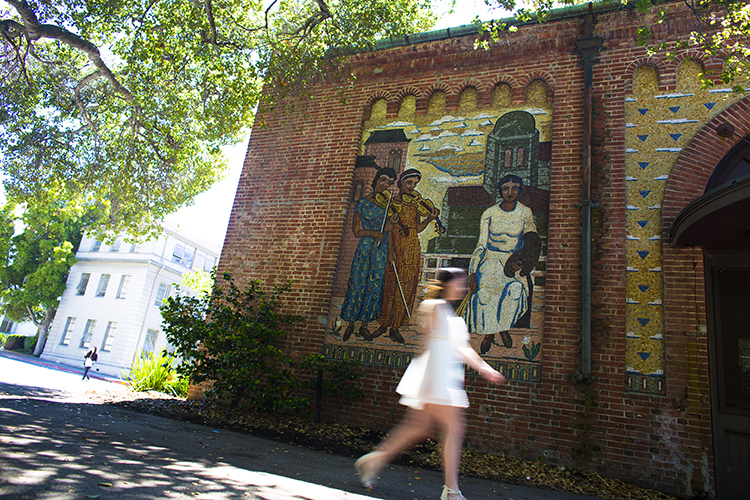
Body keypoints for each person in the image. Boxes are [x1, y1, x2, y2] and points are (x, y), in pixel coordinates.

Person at [354, 268, 506, 500]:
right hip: (436, 380)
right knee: (454, 430)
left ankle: (372, 461)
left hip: (444, 379)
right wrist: (429, 385)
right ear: (448, 284)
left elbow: (463, 349)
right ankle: (451, 491)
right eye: (460, 282)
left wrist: (486, 369)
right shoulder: (434, 308)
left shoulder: (449, 313)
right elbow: (432, 347)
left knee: (418, 429)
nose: (464, 287)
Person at [464, 174, 540, 354]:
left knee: (514, 292)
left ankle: (504, 328)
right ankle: (489, 334)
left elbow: (532, 239)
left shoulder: (525, 212)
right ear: (500, 190)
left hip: (513, 263)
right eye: (506, 188)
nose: (510, 192)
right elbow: (481, 245)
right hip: (490, 261)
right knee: (485, 296)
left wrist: (522, 261)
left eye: (515, 188)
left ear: (520, 189)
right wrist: (473, 272)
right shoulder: (489, 213)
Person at [372, 169, 439, 344]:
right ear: (401, 183)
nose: (412, 187)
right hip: (394, 245)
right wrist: (391, 251)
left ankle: (396, 327)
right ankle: (384, 323)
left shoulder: (415, 205)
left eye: (415, 184)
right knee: (390, 285)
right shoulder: (389, 202)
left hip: (411, 247)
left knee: (407, 285)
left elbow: (417, 228)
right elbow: (385, 229)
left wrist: (429, 220)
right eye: (409, 183)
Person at [340, 167, 398, 341]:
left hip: (381, 250)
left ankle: (364, 325)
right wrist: (373, 233)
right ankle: (350, 324)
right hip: (365, 248)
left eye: (389, 182)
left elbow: (386, 230)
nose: (385, 185)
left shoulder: (386, 205)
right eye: (383, 180)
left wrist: (392, 224)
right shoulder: (362, 204)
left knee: (374, 287)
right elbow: (357, 231)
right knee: (358, 284)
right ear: (375, 181)